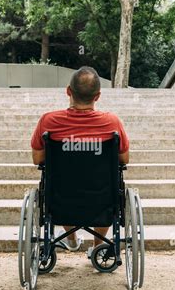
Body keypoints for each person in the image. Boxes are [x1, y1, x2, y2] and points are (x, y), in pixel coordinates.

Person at [30, 66, 129, 258]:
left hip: (61, 198)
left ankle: (72, 240)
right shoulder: (112, 123)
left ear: (68, 91)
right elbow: (124, 159)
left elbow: (38, 159)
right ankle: (98, 247)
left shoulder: (49, 121)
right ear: (98, 96)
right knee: (108, 189)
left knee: (62, 182)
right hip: (102, 198)